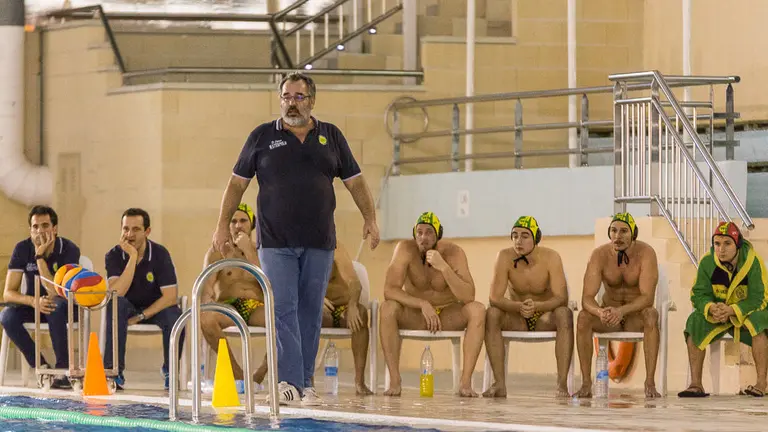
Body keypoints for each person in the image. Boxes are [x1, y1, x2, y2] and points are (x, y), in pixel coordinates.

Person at [211, 72, 379, 405]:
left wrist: (370, 218)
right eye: (286, 96)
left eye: (298, 97)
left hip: (319, 241)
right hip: (276, 242)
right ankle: (289, 381)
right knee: (284, 309)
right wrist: (221, 223)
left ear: (312, 101)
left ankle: (305, 382)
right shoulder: (262, 137)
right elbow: (236, 185)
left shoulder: (330, 136)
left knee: (310, 311)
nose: (292, 103)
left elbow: (355, 182)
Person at [379, 212, 486, 397]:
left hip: (446, 315)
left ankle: (465, 383)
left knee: (477, 310)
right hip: (416, 314)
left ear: (438, 235)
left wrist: (443, 267)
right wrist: (421, 303)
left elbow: (469, 295)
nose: (423, 237)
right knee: (387, 308)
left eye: (429, 232)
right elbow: (389, 289)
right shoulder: (404, 249)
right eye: (419, 232)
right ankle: (395, 381)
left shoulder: (454, 253)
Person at [252, 240, 374, 396]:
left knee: (361, 315)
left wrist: (353, 305)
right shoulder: (290, 250)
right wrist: (314, 298)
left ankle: (359, 382)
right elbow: (287, 288)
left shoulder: (335, 247)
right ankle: (302, 378)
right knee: (296, 321)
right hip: (319, 311)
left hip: (342, 307)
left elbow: (354, 283)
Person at [483, 216, 573, 398]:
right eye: (514, 236)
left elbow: (562, 297)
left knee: (564, 314)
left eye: (525, 236)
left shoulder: (551, 257)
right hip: (517, 318)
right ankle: (499, 383)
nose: (518, 241)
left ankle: (562, 385)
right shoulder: (504, 256)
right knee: (491, 314)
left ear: (536, 238)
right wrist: (517, 306)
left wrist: (539, 306)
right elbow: (494, 297)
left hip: (544, 318)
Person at [574, 212, 661, 398]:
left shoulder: (646, 254)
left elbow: (647, 298)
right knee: (583, 318)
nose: (617, 236)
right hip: (608, 317)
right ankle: (586, 383)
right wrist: (599, 312)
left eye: (623, 231)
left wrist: (622, 311)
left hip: (633, 316)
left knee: (651, 315)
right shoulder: (599, 255)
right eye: (613, 231)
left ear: (633, 234)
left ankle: (650, 382)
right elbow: (587, 298)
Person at [679, 222, 768, 398]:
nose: (721, 249)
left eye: (727, 243)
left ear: (738, 244)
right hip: (718, 315)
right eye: (717, 243)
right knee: (694, 321)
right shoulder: (707, 262)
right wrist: (710, 307)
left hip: (746, 314)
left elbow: (760, 297)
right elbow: (698, 294)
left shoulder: (752, 261)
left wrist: (733, 310)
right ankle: (696, 384)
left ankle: (761, 383)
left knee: (758, 322)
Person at [103, 208, 184, 391]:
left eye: (136, 229)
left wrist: (141, 316)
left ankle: (170, 370)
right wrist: (132, 257)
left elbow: (170, 296)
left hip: (156, 307)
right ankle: (114, 372)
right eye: (125, 229)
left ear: (147, 231)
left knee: (175, 315)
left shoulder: (160, 254)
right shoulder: (114, 255)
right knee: (115, 304)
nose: (129, 235)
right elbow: (117, 292)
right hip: (127, 306)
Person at [0, 206, 80, 389]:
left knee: (55, 306)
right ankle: (41, 367)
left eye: (45, 225)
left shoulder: (68, 249)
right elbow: (8, 293)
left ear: (55, 228)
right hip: (34, 305)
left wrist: (39, 257)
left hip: (65, 306)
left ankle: (62, 371)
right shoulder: (22, 248)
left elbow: (56, 292)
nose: (40, 231)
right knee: (6, 316)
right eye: (35, 227)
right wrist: (33, 301)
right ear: (30, 229)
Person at [201, 203, 266, 389]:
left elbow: (269, 283)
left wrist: (249, 251)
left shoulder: (262, 251)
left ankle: (259, 375)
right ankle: (239, 375)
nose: (238, 225)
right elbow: (206, 287)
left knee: (285, 321)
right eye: (234, 221)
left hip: (257, 307)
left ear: (252, 224)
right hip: (229, 306)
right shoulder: (217, 252)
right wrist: (207, 300)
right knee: (205, 318)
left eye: (243, 221)